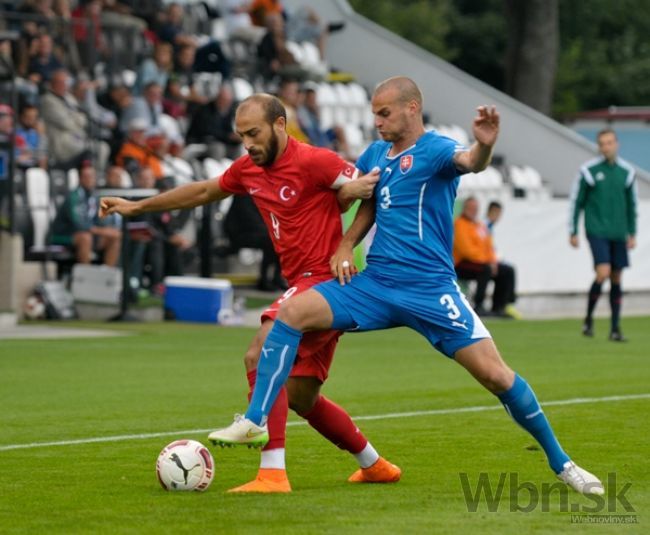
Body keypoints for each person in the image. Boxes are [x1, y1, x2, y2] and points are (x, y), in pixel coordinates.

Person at [209, 77, 605, 496]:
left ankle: (562, 463)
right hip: (376, 286)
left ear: (412, 108)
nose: (377, 122)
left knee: (496, 376)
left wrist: (485, 145)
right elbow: (367, 203)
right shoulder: (376, 154)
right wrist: (345, 244)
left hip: (431, 291)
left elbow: (470, 161)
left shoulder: (434, 150)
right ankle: (255, 420)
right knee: (290, 313)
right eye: (374, 113)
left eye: (385, 113)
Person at [100, 93, 400, 493]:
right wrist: (137, 207)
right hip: (302, 283)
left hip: (325, 281)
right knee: (301, 396)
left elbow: (369, 191)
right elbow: (204, 191)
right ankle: (374, 464)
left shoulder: (315, 160)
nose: (248, 144)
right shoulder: (248, 169)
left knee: (258, 351)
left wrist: (350, 210)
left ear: (280, 125)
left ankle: (271, 473)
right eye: (242, 136)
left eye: (254, 133)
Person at [569, 128, 637, 342]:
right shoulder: (589, 170)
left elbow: (631, 205)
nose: (605, 147)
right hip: (596, 230)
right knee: (603, 272)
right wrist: (572, 230)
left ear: (616, 144)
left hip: (618, 232)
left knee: (617, 276)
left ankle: (615, 328)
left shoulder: (627, 172)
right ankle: (589, 319)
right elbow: (576, 202)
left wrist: (632, 232)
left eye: (609, 142)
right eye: (602, 143)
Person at [453, 197, 517, 318]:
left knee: (507, 270)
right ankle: (479, 305)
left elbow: (489, 246)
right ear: (465, 209)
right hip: (462, 263)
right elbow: (466, 250)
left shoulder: (479, 225)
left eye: (475, 209)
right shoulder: (459, 224)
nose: (473, 211)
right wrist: (487, 261)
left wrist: (493, 261)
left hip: (481, 262)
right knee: (485, 269)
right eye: (471, 208)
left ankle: (499, 307)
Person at [51, 159, 121, 266]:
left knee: (114, 236)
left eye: (92, 176)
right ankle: (86, 276)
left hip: (89, 233)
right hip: (64, 234)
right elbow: (79, 224)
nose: (90, 180)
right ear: (80, 179)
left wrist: (107, 229)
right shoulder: (74, 197)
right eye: (86, 177)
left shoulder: (95, 196)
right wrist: (101, 231)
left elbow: (100, 219)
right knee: (85, 237)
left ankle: (107, 275)